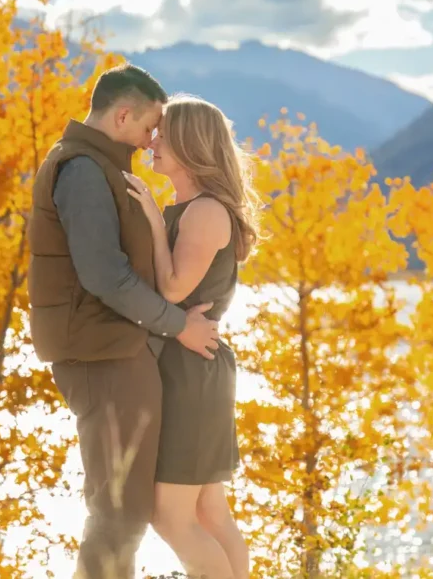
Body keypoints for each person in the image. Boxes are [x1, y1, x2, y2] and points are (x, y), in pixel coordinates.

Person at [26, 64, 221, 579]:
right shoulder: (84, 169)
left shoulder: (105, 166)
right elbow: (105, 277)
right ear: (123, 114)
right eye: (149, 126)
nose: (152, 137)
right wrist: (178, 326)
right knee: (119, 512)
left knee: (124, 509)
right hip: (101, 353)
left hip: (116, 350)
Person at [124, 94, 261, 579]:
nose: (153, 141)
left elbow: (173, 286)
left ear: (191, 144)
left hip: (192, 370)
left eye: (164, 133)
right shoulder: (190, 208)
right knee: (208, 510)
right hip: (194, 365)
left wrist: (152, 225)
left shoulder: (203, 211)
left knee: (171, 515)